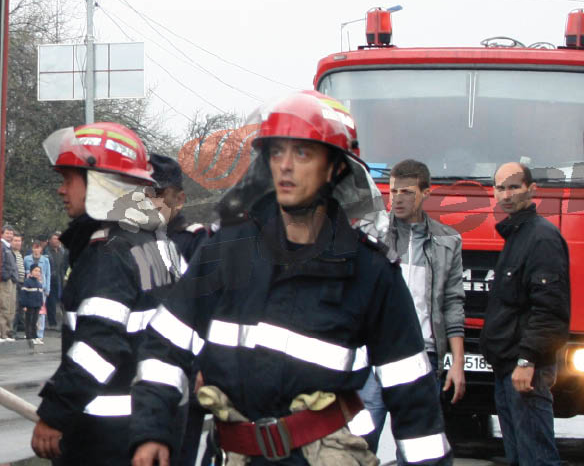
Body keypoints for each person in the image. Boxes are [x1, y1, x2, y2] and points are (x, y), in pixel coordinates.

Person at [131, 91, 452, 466]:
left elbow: (413, 399)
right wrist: (152, 431)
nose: (285, 166)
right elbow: (165, 346)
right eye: (277, 153)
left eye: (302, 153)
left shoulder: (369, 272)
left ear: (335, 168)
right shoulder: (227, 250)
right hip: (232, 455)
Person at [30, 122, 180, 465]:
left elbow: (100, 346)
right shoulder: (157, 242)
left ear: (99, 183)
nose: (61, 190)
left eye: (69, 179)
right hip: (155, 427)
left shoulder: (109, 252)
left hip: (107, 440)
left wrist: (54, 413)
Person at [358, 158, 466, 453]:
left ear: (426, 192)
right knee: (358, 443)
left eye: (406, 192)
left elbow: (453, 303)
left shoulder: (448, 241)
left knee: (419, 446)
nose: (397, 199)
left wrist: (457, 363)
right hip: (374, 356)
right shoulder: (371, 233)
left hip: (422, 356)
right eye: (393, 192)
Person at [479, 162, 570, 466]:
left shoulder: (541, 238)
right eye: (500, 188)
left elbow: (548, 310)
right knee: (521, 456)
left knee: (537, 458)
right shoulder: (517, 234)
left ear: (532, 190)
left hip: (524, 369)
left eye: (514, 187)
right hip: (508, 365)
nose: (506, 194)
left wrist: (526, 360)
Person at [147, 153, 209, 466]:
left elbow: (207, 312)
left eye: (158, 193)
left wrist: (200, 367)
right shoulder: (125, 240)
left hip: (182, 372)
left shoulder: (195, 243)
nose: (149, 201)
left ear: (179, 199)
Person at [24, 241, 51, 345]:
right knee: (30, 311)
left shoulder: (45, 260)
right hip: (30, 287)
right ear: (32, 248)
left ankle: (40, 334)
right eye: (34, 248)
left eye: (38, 248)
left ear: (41, 249)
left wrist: (47, 289)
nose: (36, 250)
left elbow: (48, 274)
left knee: (41, 312)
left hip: (41, 288)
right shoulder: (27, 259)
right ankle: (29, 333)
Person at [0, 225, 20, 342]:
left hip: (12, 280)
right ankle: (2, 333)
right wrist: (4, 276)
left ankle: (7, 333)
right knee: (4, 306)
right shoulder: (2, 246)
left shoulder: (9, 247)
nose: (10, 235)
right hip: (5, 280)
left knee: (11, 307)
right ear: (2, 234)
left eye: (11, 233)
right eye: (7, 233)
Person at [43, 232, 67, 329]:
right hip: (51, 280)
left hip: (61, 280)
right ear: (50, 240)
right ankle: (52, 323)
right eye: (54, 238)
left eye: (58, 238)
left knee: (63, 302)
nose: (57, 240)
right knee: (51, 303)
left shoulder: (63, 251)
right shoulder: (46, 252)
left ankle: (65, 323)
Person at [20, 264, 45, 348]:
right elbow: (23, 294)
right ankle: (29, 337)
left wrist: (41, 304)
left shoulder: (39, 283)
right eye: (35, 271)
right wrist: (24, 305)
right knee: (28, 322)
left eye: (39, 271)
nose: (37, 273)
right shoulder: (27, 282)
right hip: (29, 305)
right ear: (31, 272)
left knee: (35, 321)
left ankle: (35, 336)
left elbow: (41, 295)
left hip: (37, 305)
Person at [11, 232, 26, 338]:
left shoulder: (20, 254)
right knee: (14, 308)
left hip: (21, 283)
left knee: (20, 307)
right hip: (14, 283)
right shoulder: (10, 252)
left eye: (19, 241)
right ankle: (12, 331)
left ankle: (17, 329)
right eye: (15, 240)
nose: (17, 243)